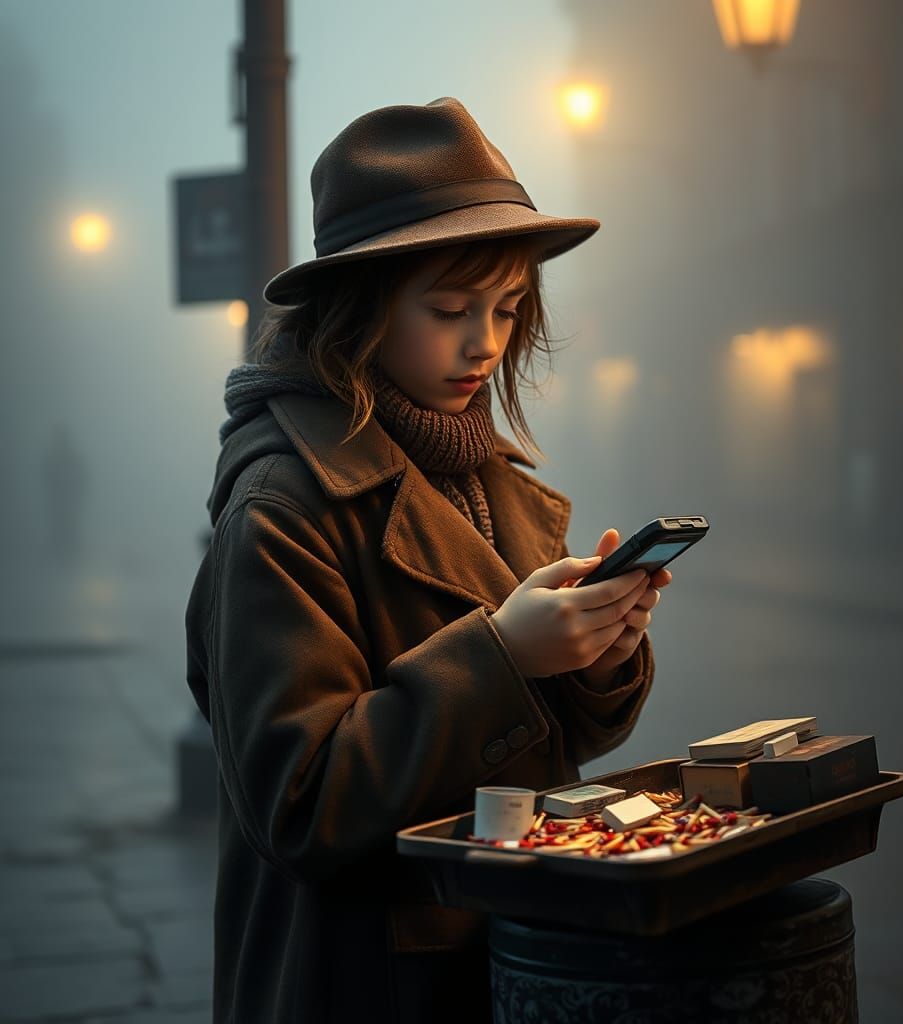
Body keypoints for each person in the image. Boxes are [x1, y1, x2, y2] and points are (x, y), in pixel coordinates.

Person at [185, 96, 671, 1024]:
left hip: (509, 954)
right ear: (361, 310)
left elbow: (549, 746)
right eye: (449, 308)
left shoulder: (488, 478)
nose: (484, 341)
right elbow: (300, 801)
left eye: (507, 307)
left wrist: (599, 652)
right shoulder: (283, 504)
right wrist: (504, 655)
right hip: (362, 981)